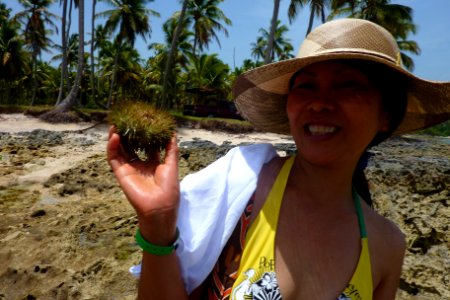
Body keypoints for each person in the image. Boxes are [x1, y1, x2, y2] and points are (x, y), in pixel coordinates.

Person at [107, 18, 450, 300]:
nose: (319, 103)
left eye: (347, 86)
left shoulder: (387, 246)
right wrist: (158, 225)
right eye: (306, 87)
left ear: (386, 115)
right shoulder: (241, 187)